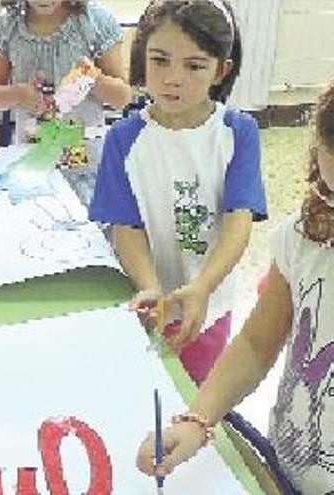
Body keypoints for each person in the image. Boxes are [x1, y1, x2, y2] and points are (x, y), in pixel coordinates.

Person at [136, 60, 334, 494]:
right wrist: (199, 417)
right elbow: (255, 343)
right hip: (282, 472)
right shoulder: (313, 234)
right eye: (333, 194)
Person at [89, 0, 267, 384]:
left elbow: (240, 220)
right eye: (160, 60)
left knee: (194, 401)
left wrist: (202, 288)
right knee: (144, 393)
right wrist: (150, 287)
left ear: (222, 70)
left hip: (207, 307)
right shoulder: (123, 139)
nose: (172, 78)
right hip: (145, 303)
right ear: (142, 56)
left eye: (194, 65)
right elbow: (127, 225)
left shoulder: (239, 133)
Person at [0, 0, 132, 203]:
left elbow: (122, 98)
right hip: (31, 162)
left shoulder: (94, 21)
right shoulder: (8, 24)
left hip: (86, 166)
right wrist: (18, 93)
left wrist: (93, 79)